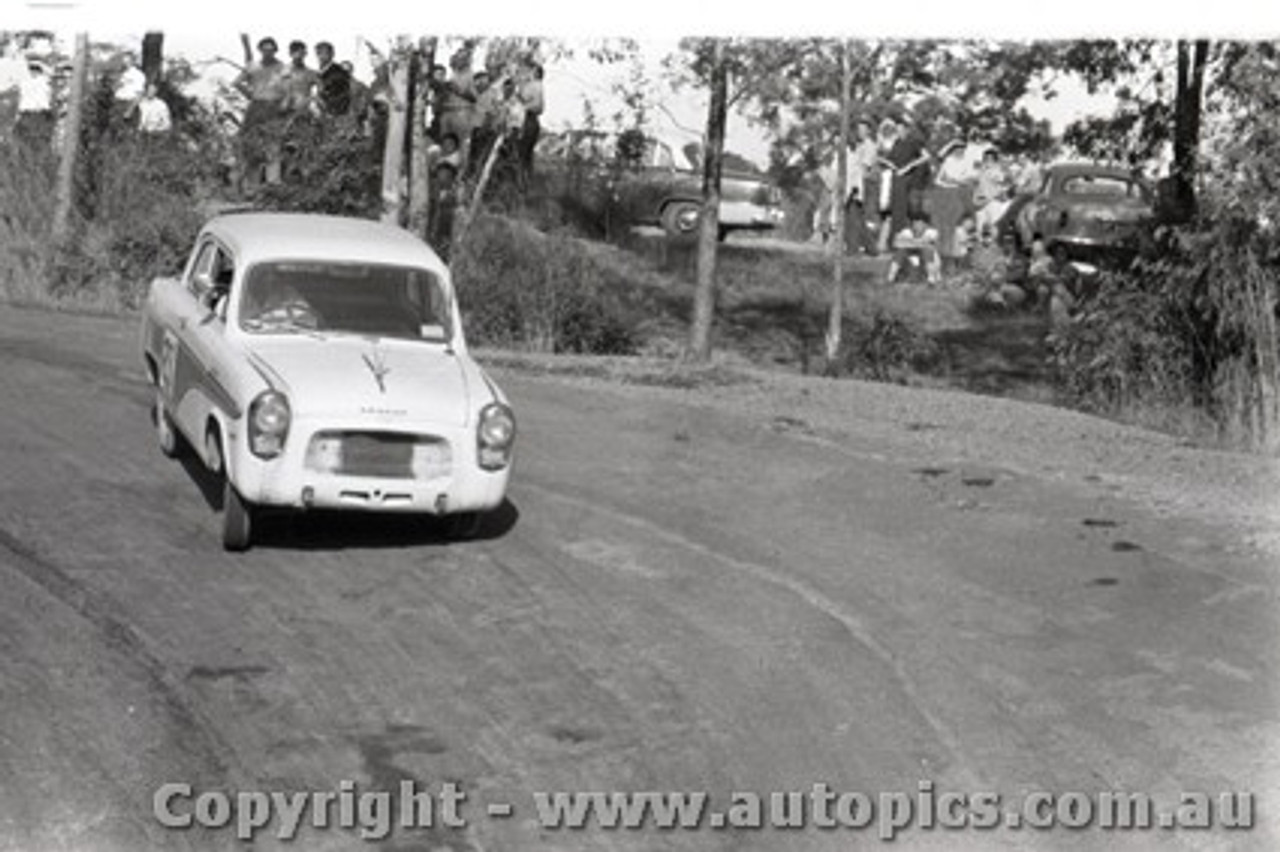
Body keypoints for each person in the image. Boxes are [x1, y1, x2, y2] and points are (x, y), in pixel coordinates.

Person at [235, 36, 288, 187]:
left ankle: (273, 183)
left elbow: (288, 88)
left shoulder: (282, 67)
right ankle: (252, 186)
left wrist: (283, 103)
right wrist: (250, 95)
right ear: (260, 50)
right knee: (252, 145)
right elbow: (237, 82)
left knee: (273, 144)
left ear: (275, 50)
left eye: (271, 49)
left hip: (274, 107)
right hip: (256, 107)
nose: (268, 52)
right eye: (265, 49)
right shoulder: (253, 66)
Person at [929, 132, 974, 272]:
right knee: (943, 227)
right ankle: (943, 258)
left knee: (957, 227)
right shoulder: (948, 160)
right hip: (944, 194)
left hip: (959, 194)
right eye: (956, 148)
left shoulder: (967, 162)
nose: (959, 151)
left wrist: (956, 181)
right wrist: (945, 182)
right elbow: (938, 178)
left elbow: (969, 179)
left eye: (962, 148)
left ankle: (956, 259)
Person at [887, 211, 942, 285]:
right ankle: (891, 277)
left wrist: (913, 242)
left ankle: (931, 278)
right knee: (900, 252)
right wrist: (915, 243)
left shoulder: (931, 232)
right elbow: (897, 242)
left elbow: (930, 243)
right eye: (915, 223)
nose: (917, 226)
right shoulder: (906, 232)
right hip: (909, 254)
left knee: (927, 251)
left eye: (920, 223)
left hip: (927, 256)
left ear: (926, 224)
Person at [973, 148, 1012, 244]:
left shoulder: (997, 170)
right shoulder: (980, 171)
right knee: (979, 228)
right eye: (986, 158)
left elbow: (1004, 181)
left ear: (994, 160)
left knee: (993, 228)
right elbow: (976, 185)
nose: (988, 160)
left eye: (990, 158)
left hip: (993, 202)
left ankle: (995, 250)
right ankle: (980, 250)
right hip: (981, 202)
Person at [516, 60, 544, 182]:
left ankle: (524, 184)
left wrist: (523, 106)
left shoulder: (536, 85)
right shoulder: (530, 85)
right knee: (524, 156)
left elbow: (538, 106)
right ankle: (525, 184)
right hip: (526, 120)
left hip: (528, 120)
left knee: (523, 155)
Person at [313, 41, 351, 117]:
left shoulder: (339, 72)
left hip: (334, 113)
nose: (321, 56)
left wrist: (327, 108)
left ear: (332, 54)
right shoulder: (320, 72)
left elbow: (343, 95)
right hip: (321, 112)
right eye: (319, 53)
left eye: (325, 53)